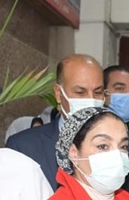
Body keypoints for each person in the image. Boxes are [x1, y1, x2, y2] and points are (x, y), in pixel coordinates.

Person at [7, 54, 108, 190]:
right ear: (58, 93)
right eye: (80, 92)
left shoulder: (125, 146)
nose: (91, 100)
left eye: (97, 92)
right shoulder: (23, 147)